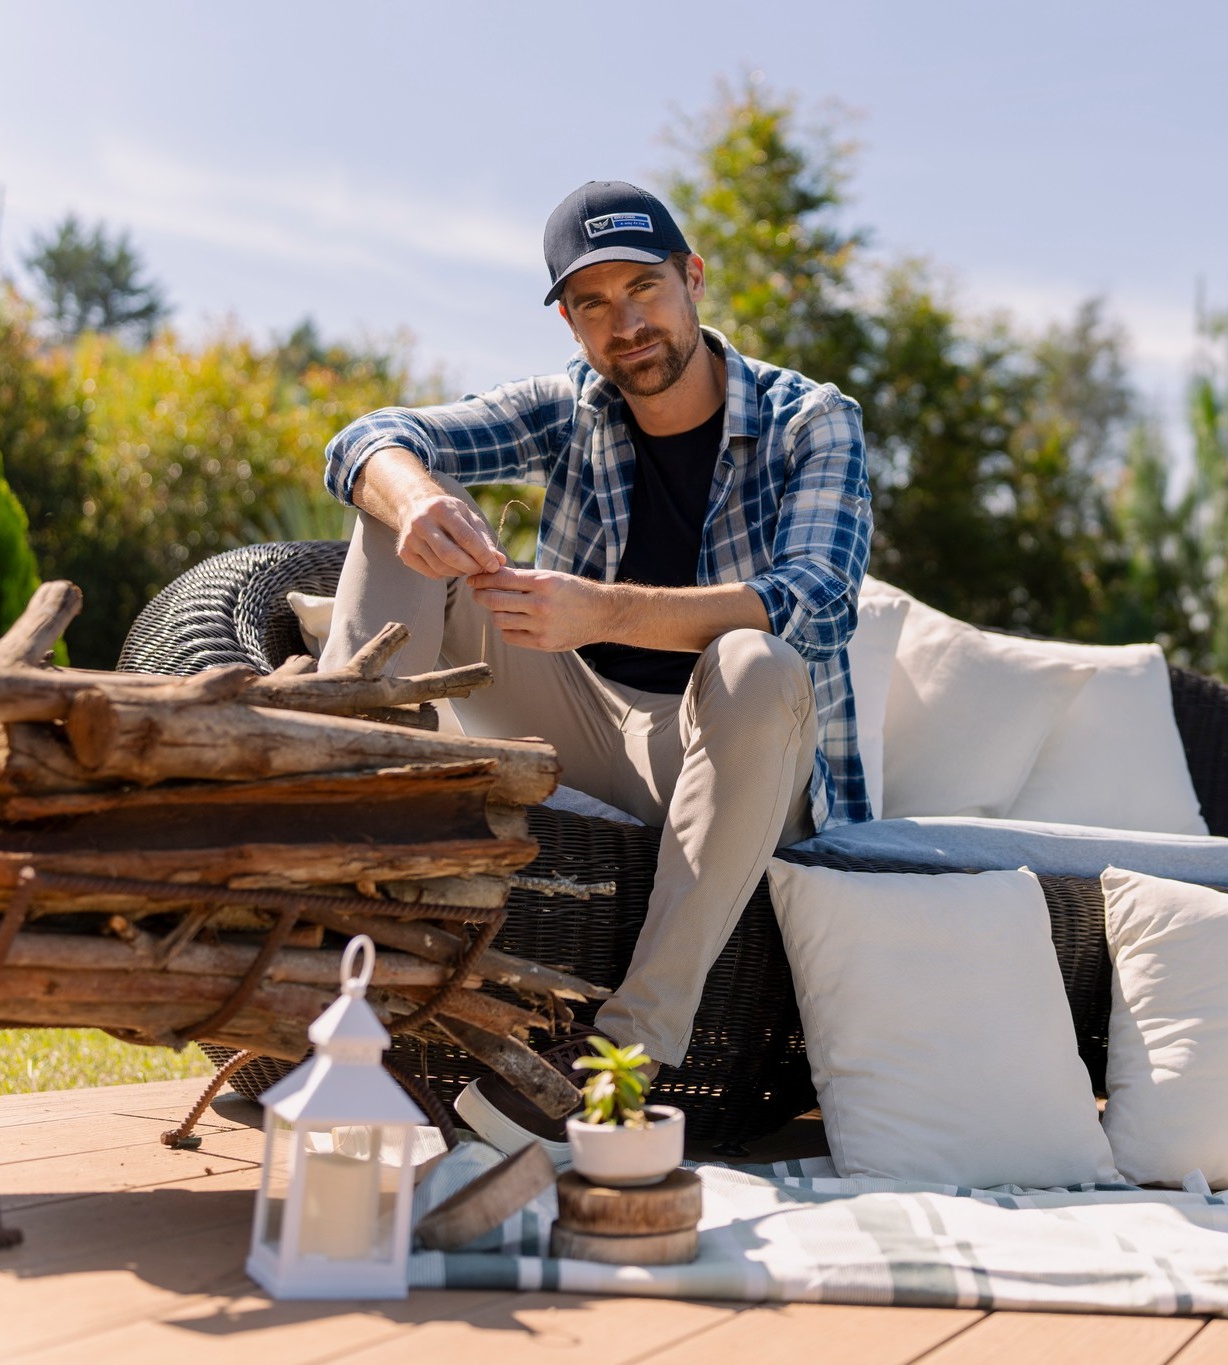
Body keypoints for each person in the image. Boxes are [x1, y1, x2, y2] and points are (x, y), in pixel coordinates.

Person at [320, 180, 872, 1160]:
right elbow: (365, 439)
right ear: (571, 324)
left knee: (755, 662)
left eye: (645, 288)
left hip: (732, 751)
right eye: (592, 304)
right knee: (396, 503)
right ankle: (336, 878)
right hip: (577, 718)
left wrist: (603, 607)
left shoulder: (809, 420)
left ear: (693, 280)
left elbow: (818, 600)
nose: (627, 323)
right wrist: (414, 501)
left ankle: (618, 1066)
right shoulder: (569, 406)